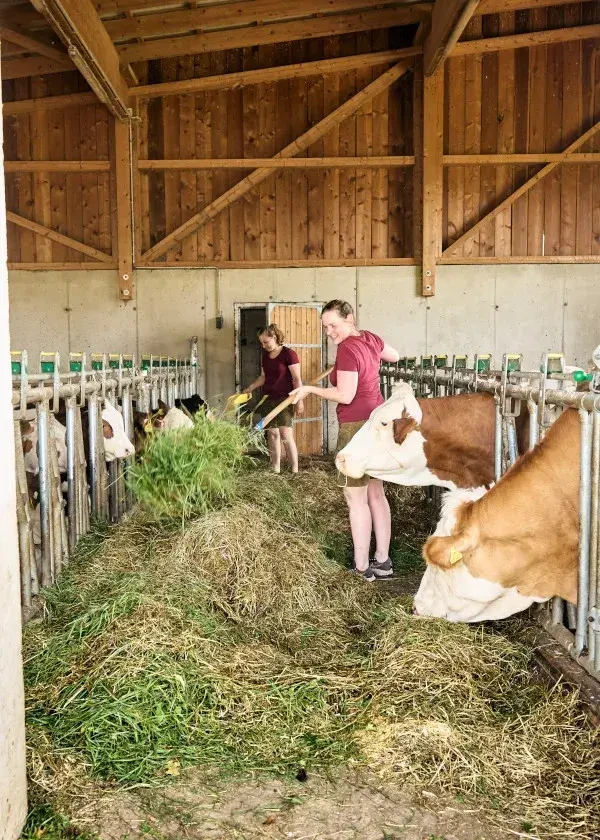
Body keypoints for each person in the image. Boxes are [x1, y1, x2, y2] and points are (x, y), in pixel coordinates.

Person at [290, 300, 400, 581]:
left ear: (349, 318)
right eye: (325, 327)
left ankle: (362, 568)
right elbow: (395, 356)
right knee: (376, 494)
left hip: (355, 428)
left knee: (356, 499)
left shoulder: (347, 348)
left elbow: (346, 396)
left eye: (333, 325)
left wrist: (311, 389)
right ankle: (383, 561)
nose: (329, 331)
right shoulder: (369, 338)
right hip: (378, 423)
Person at [243, 324, 304, 474]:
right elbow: (264, 377)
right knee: (272, 433)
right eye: (261, 343)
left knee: (285, 434)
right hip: (268, 398)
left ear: (274, 337)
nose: (264, 346)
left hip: (285, 399)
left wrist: (299, 400)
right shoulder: (265, 356)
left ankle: (295, 470)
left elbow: (297, 379)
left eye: (266, 342)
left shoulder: (289, 354)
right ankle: (275, 468)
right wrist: (251, 387)